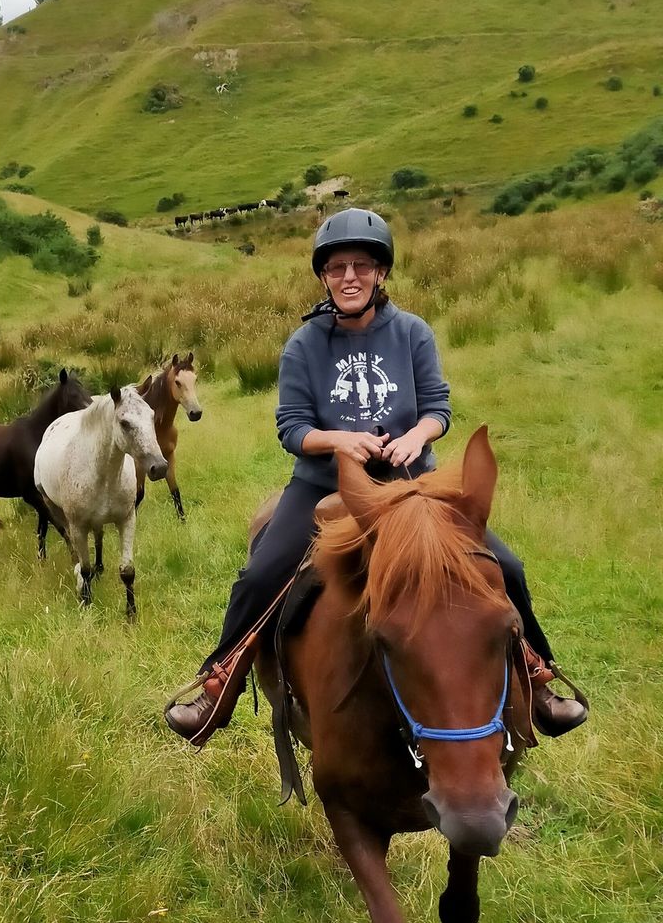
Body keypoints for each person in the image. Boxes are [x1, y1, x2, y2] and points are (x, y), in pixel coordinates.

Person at [164, 207, 588, 747]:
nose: (349, 277)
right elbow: (291, 427)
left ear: (381, 273)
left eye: (362, 266)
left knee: (503, 564)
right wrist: (339, 440)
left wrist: (419, 437)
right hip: (325, 488)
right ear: (323, 275)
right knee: (263, 573)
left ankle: (536, 673)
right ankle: (218, 683)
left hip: (411, 486)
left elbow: (438, 406)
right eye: (337, 267)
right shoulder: (304, 346)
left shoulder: (412, 333)